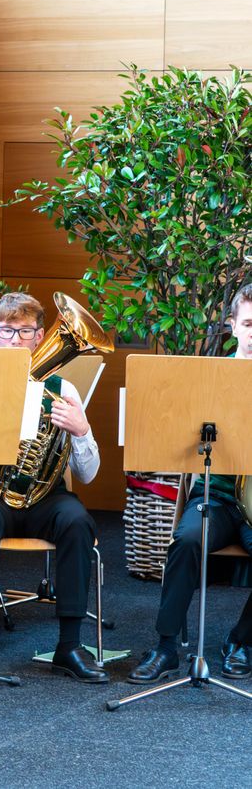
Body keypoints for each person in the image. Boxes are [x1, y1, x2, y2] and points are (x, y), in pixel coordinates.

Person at [0, 292, 108, 683]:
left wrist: (83, 430)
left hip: (43, 497)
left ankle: (69, 646)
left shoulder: (64, 389)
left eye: (25, 331)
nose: (15, 339)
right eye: (7, 331)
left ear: (39, 337)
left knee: (77, 520)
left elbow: (88, 474)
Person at [127, 283, 252, 684]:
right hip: (215, 495)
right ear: (233, 325)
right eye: (249, 322)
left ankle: (241, 640)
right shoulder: (208, 377)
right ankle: (166, 648)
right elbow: (175, 433)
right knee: (186, 541)